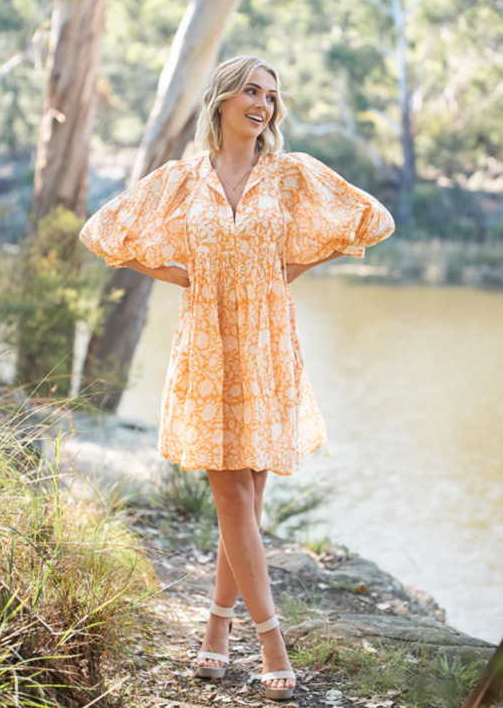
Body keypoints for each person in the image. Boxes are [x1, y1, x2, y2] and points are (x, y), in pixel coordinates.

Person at [79, 55, 396, 700]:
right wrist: (182, 276)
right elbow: (103, 229)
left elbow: (372, 220)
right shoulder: (182, 179)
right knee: (231, 498)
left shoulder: (291, 174)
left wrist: (290, 269)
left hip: (267, 342)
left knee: (245, 501)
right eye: (251, 91)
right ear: (221, 100)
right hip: (205, 344)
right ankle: (272, 640)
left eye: (272, 96)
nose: (263, 104)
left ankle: (217, 631)